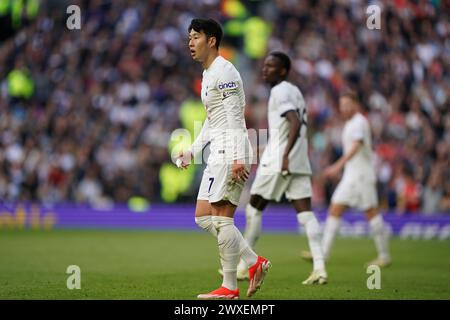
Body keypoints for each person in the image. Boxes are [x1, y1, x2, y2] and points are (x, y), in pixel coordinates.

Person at [177, 18, 271, 300]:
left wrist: (235, 157)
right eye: (189, 37)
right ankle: (241, 274)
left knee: (217, 219)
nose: (190, 43)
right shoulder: (208, 74)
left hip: (231, 150)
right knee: (207, 218)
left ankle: (243, 273)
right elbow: (212, 119)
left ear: (212, 40)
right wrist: (193, 150)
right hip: (219, 149)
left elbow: (233, 117)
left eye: (196, 37)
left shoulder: (225, 71)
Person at [225, 52, 327, 285]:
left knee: (253, 210)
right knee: (306, 214)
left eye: (271, 66)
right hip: (299, 159)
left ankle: (245, 266)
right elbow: (293, 125)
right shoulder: (296, 92)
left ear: (283, 71)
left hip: (280, 159)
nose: (265, 69)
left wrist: (284, 156)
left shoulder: (280, 91)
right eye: (265, 65)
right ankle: (320, 268)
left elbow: (294, 121)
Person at [302, 92, 391, 267]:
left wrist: (337, 166)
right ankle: (323, 254)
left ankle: (384, 255)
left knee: (371, 212)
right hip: (352, 175)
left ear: (355, 104)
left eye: (347, 104)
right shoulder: (351, 123)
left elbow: (356, 147)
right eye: (342, 105)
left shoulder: (359, 122)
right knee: (335, 208)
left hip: (362, 176)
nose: (344, 108)